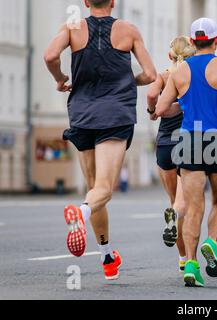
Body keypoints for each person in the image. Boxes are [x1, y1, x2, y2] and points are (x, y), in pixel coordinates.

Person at [44, 0, 157, 280]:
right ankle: (79, 214)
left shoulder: (72, 27)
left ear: (85, 2)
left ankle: (107, 257)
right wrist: (130, 80)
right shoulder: (128, 30)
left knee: (94, 190)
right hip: (114, 114)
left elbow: (49, 56)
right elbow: (152, 74)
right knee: (104, 190)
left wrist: (60, 79)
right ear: (113, 1)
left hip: (82, 114)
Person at [154, 17, 217, 287]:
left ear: (192, 42)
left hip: (189, 139)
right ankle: (211, 242)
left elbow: (161, 109)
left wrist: (185, 104)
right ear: (216, 39)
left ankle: (191, 264)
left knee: (193, 207)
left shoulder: (179, 71)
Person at [147, 36, 196, 272]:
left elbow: (150, 95)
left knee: (173, 201)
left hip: (165, 143)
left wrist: (153, 111)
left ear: (170, 56)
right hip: (186, 140)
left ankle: (182, 257)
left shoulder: (164, 76)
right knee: (182, 204)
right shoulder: (192, 77)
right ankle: (188, 258)